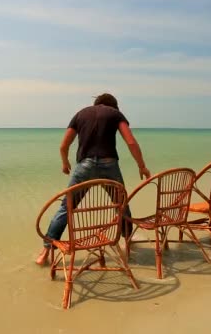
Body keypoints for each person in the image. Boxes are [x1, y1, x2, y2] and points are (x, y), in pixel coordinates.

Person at [35, 93, 151, 265]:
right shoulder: (115, 114)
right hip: (109, 164)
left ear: (96, 103)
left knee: (66, 207)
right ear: (113, 106)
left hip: (84, 166)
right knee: (121, 205)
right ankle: (127, 241)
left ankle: (45, 251)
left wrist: (65, 163)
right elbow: (131, 142)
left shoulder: (80, 114)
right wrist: (141, 166)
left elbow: (63, 145)